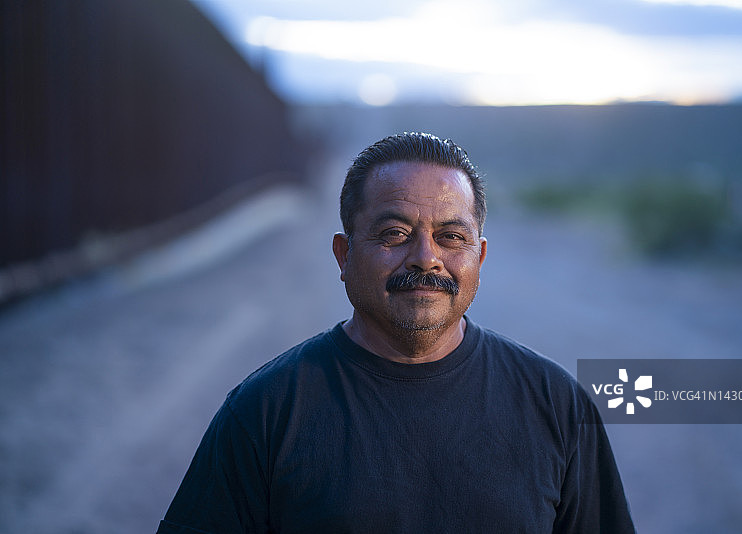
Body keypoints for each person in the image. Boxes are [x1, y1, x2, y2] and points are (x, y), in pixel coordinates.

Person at [156, 132, 636, 533]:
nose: (426, 258)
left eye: (451, 236)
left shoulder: (557, 405)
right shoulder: (266, 411)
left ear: (479, 258)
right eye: (394, 234)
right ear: (344, 256)